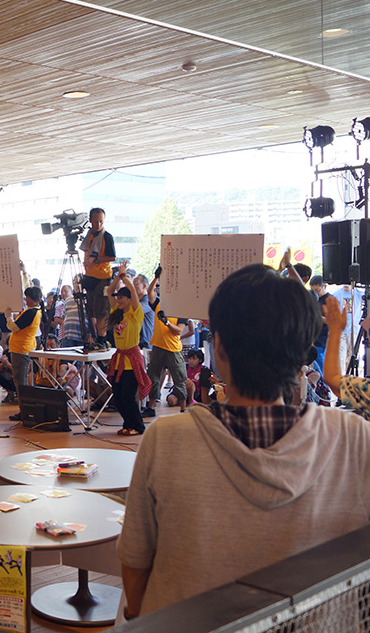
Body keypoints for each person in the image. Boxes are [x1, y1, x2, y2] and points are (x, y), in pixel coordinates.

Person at [117, 264, 370, 619]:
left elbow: (135, 564)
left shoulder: (166, 440)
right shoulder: (354, 437)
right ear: (301, 356)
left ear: (218, 347)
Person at [104, 262, 149, 436]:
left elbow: (135, 297)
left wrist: (125, 277)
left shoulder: (135, 314)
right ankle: (127, 424)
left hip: (132, 360)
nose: (118, 300)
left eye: (122, 297)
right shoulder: (117, 312)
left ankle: (137, 426)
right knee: (118, 396)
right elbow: (109, 291)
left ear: (130, 299)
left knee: (129, 397)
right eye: (118, 298)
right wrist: (117, 276)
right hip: (119, 360)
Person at [142, 270, 189, 417]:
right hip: (157, 345)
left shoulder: (181, 308)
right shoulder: (159, 303)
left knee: (179, 378)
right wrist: (156, 277)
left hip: (173, 348)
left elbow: (179, 331)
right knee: (153, 377)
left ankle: (183, 408)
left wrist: (167, 322)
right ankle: (150, 407)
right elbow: (149, 293)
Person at [79, 207, 116, 343]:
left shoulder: (106, 236)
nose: (99, 224)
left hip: (103, 277)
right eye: (96, 221)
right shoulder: (89, 236)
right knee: (91, 312)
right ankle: (93, 337)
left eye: (101, 221)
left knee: (102, 312)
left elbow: (112, 257)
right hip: (89, 277)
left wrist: (95, 260)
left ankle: (102, 339)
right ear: (90, 221)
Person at [4, 286, 42, 400]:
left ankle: (25, 410)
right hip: (22, 347)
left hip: (21, 349)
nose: (26, 300)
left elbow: (14, 327)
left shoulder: (31, 312)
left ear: (37, 300)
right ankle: (25, 409)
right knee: (20, 379)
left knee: (20, 381)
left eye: (28, 298)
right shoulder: (33, 311)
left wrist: (8, 317)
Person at [308, 275, 330, 373]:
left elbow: (332, 320)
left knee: (321, 370)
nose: (315, 292)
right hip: (312, 338)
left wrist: (316, 317)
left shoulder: (330, 300)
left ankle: (323, 388)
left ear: (324, 287)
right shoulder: (313, 298)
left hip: (323, 340)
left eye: (317, 290)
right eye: (313, 290)